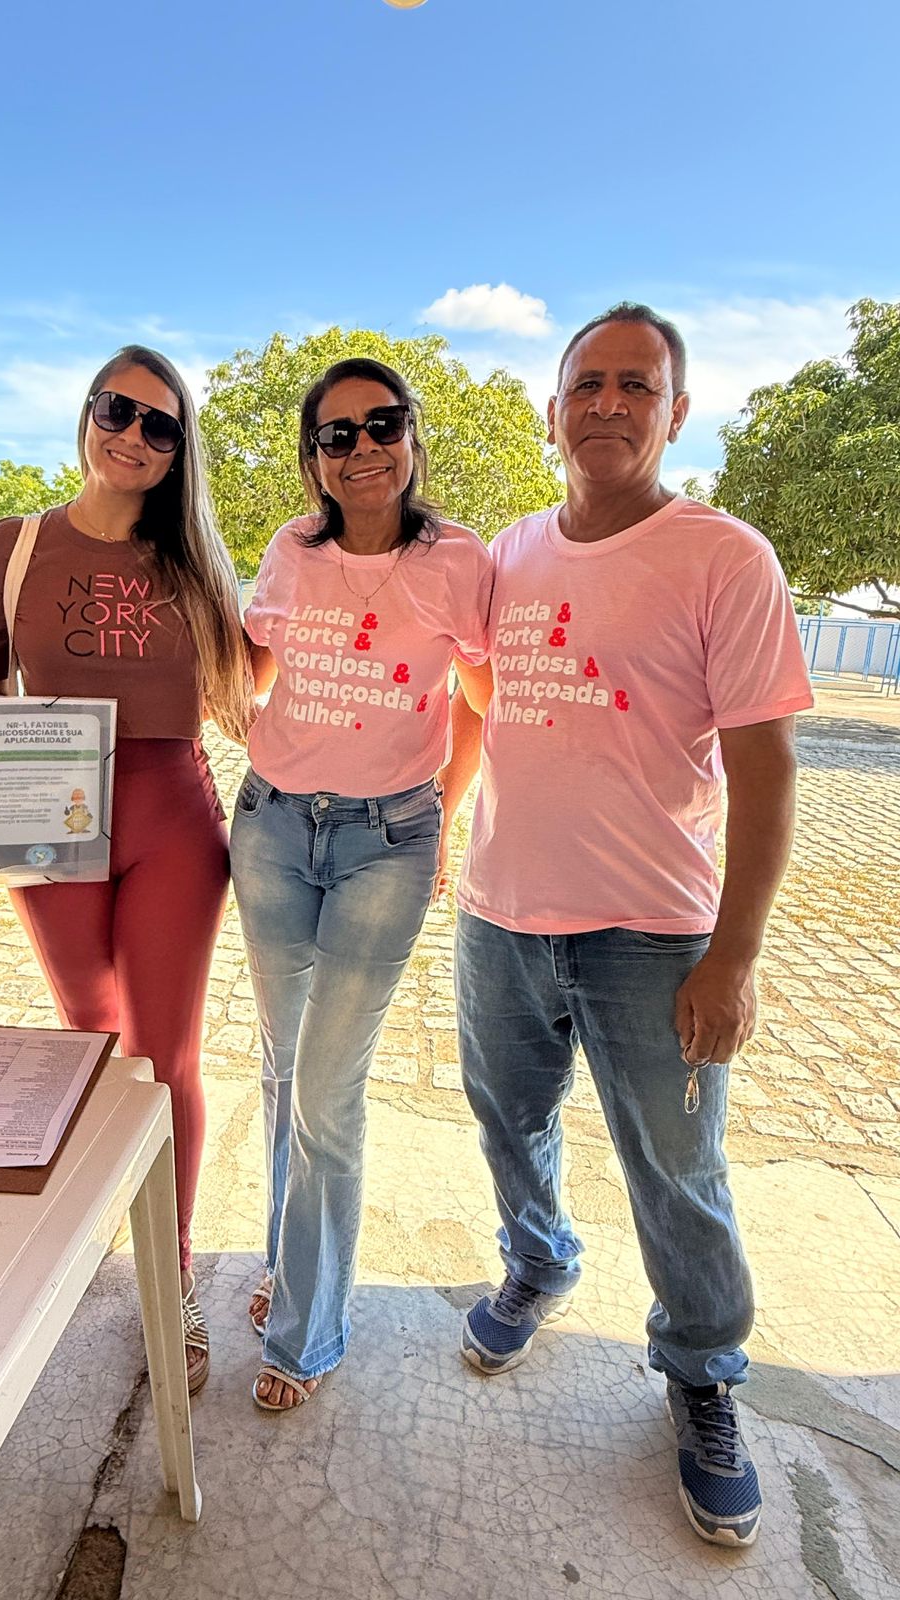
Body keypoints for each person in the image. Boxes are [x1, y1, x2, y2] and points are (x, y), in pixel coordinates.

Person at [441, 304, 813, 1547]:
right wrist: (449, 818)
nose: (606, 403)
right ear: (552, 410)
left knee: (679, 1171)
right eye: (585, 383)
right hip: (501, 914)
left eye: (634, 386)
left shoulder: (726, 557)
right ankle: (539, 1261)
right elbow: (486, 697)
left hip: (656, 933)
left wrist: (737, 954)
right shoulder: (508, 553)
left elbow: (768, 769)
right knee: (508, 1120)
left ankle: (704, 1376)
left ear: (675, 412)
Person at [0, 346, 254, 1394]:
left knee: (165, 1053)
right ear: (86, 415)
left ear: (180, 453)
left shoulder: (199, 565)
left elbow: (265, 687)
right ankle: (109, 1225)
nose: (132, 434)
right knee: (92, 1043)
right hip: (54, 813)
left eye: (160, 425)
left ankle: (168, 1275)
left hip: (174, 815)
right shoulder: (13, 543)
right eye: (115, 410)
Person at [233, 357, 493, 1410]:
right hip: (272, 824)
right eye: (337, 435)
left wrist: (445, 808)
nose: (362, 447)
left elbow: (479, 693)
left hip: (387, 836)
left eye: (381, 424)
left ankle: (309, 1331)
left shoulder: (458, 559)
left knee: (329, 1089)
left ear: (412, 440)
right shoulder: (289, 551)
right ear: (314, 461)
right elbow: (247, 669)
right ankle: (289, 1265)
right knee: (283, 1066)